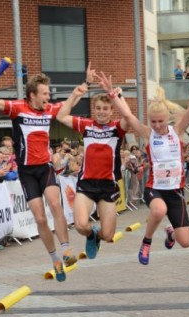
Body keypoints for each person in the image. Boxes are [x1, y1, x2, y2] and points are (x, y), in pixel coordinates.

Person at [0, 57, 77, 282]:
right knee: (40, 218)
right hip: (27, 171)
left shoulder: (49, 110)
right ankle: (54, 258)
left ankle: (66, 250)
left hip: (45, 168)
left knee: (55, 204)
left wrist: (79, 91)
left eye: (48, 94)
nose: (48, 97)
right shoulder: (18, 108)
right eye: (45, 94)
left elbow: (66, 107)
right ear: (32, 95)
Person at [98, 71, 189, 265]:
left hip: (175, 191)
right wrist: (112, 94)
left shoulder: (176, 131)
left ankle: (171, 233)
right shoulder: (148, 134)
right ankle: (146, 242)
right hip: (154, 188)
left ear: (167, 119)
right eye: (153, 121)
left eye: (160, 121)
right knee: (158, 211)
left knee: (186, 242)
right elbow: (128, 116)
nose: (156, 125)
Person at [56, 68, 129, 260]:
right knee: (80, 225)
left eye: (105, 109)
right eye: (98, 109)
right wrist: (77, 93)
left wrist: (117, 96)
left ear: (111, 110)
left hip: (108, 186)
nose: (102, 112)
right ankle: (90, 235)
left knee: (108, 236)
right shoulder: (86, 125)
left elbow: (129, 118)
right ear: (93, 110)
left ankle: (97, 235)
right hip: (86, 185)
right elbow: (61, 116)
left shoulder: (116, 128)